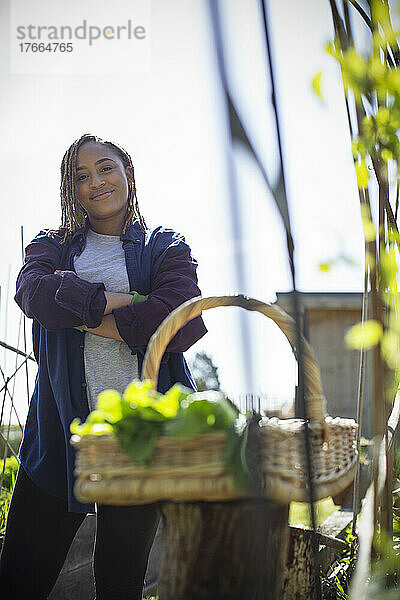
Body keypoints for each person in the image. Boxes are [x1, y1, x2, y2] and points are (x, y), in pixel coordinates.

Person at [0, 133, 207, 599]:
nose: (96, 181)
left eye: (106, 168)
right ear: (70, 190)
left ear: (128, 173)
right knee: (18, 581)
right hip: (61, 437)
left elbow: (180, 317)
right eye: (81, 176)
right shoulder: (51, 246)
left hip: (138, 441)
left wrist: (82, 313)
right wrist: (124, 304)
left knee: (120, 584)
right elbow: (33, 292)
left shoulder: (164, 246)